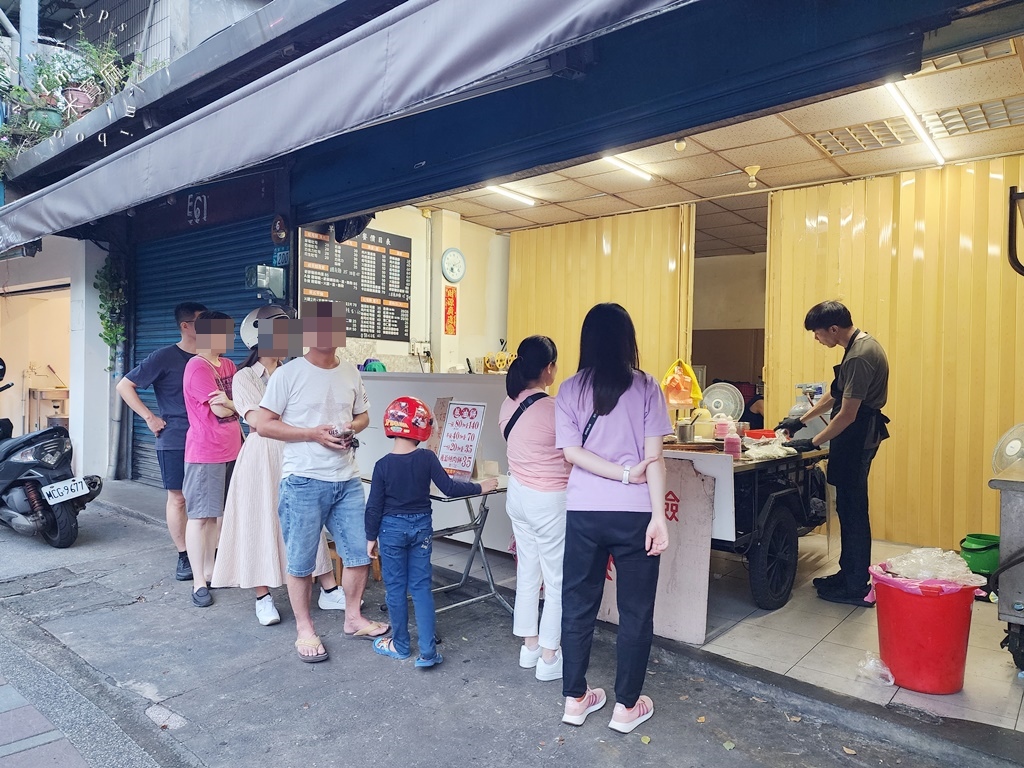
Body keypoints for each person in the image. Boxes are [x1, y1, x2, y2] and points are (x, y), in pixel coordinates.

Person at [554, 303, 671, 734]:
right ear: (628, 340)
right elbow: (654, 459)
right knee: (636, 612)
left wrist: (615, 472)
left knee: (577, 604)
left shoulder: (567, 390)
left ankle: (575, 699)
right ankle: (625, 707)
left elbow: (572, 454)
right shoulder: (646, 387)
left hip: (584, 512)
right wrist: (658, 515)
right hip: (635, 513)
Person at [259, 302, 388, 663]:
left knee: (358, 555)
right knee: (301, 562)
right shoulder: (289, 374)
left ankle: (352, 618)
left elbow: (363, 415)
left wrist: (351, 427)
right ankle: (304, 628)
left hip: (346, 479)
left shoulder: (350, 372)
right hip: (302, 480)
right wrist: (310, 434)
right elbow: (264, 424)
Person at [210, 306, 341, 626]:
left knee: (307, 518)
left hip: (295, 453)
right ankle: (263, 596)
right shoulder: (244, 377)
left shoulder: (295, 371)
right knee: (259, 520)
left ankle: (328, 588)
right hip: (260, 458)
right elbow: (259, 420)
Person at [365, 397, 498, 667]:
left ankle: (400, 646)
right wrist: (480, 487)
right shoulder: (427, 458)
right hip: (421, 528)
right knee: (421, 587)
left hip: (391, 532)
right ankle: (427, 652)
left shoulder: (382, 466)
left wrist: (370, 538)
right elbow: (450, 488)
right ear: (421, 427)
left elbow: (373, 508)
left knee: (395, 589)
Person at [777, 301, 889, 608]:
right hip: (855, 436)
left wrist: (812, 441)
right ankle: (848, 574)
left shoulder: (859, 356)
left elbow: (847, 414)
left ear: (833, 329)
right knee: (848, 509)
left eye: (817, 333)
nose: (816, 338)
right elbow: (836, 394)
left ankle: (854, 585)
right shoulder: (858, 346)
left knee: (853, 512)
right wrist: (799, 420)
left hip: (856, 437)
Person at [117, 301, 207, 581]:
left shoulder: (210, 358)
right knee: (178, 499)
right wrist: (149, 418)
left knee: (209, 501)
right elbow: (124, 385)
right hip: (176, 438)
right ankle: (184, 555)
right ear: (186, 326)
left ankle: (208, 553)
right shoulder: (164, 357)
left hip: (208, 440)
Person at [498, 335, 570, 682]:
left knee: (528, 572)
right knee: (555, 580)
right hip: (549, 501)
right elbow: (574, 455)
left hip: (518, 495)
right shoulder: (555, 410)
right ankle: (549, 656)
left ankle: (530, 646)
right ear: (548, 368)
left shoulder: (507, 405)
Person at [181, 311, 243, 608]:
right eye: (228, 333)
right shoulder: (197, 368)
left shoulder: (228, 365)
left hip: (234, 449)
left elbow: (241, 403)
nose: (232, 338)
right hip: (206, 452)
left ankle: (211, 569)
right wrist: (238, 407)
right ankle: (198, 582)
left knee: (219, 516)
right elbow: (220, 411)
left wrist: (233, 404)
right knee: (200, 517)